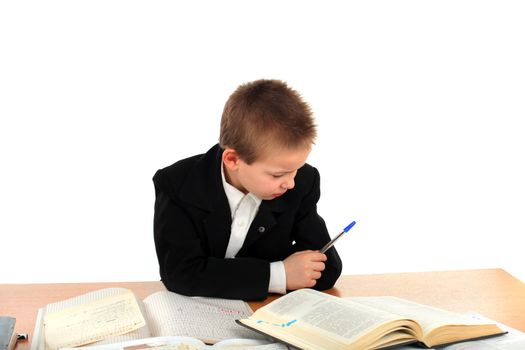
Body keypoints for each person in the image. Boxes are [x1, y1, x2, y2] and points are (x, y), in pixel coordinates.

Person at [153, 79, 342, 301]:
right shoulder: (178, 184)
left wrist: (220, 275)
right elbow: (180, 274)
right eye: (278, 175)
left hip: (260, 313)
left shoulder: (302, 183)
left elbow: (326, 269)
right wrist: (279, 274)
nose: (290, 183)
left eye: (296, 170)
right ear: (233, 159)